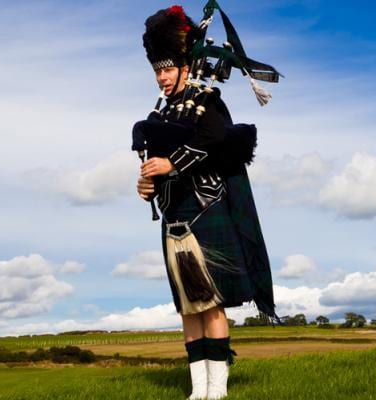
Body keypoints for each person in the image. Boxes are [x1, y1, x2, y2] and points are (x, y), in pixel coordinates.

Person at [134, 4, 278, 399]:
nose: (162, 77)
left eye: (167, 69)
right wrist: (146, 186)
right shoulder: (161, 113)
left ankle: (219, 390)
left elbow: (218, 144)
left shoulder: (206, 102)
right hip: (174, 217)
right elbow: (154, 166)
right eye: (157, 70)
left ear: (185, 65)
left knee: (211, 305)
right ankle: (199, 391)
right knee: (188, 307)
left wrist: (171, 163)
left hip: (205, 209)